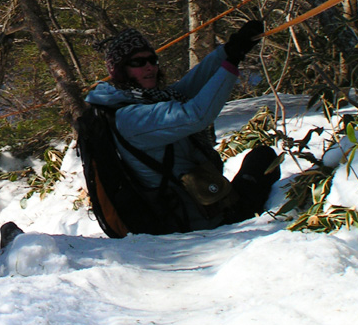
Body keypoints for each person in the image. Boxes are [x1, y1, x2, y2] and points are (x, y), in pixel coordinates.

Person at [84, 22, 280, 234]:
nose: (149, 66)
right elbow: (196, 115)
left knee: (260, 158)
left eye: (152, 59)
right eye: (138, 62)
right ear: (120, 71)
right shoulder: (130, 118)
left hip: (204, 205)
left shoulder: (144, 100)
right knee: (263, 158)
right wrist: (232, 62)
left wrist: (230, 49)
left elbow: (191, 85)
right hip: (199, 221)